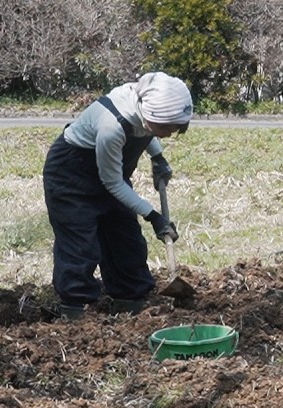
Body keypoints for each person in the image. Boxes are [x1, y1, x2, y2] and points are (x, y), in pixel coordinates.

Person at [43, 72, 193, 318]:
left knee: (126, 241)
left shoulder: (142, 105)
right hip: (71, 176)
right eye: (167, 128)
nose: (169, 134)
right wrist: (153, 216)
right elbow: (113, 182)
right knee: (80, 246)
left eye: (175, 128)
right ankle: (75, 311)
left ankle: (130, 301)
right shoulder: (112, 126)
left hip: (108, 172)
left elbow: (144, 132)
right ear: (149, 115)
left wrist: (158, 157)